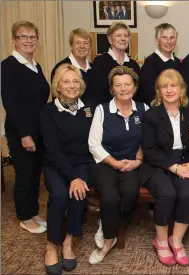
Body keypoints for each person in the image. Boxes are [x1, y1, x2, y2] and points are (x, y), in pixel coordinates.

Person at [88, 66, 149, 264]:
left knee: (131, 193)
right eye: (118, 85)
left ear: (135, 86)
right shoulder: (102, 109)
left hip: (132, 163)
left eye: (127, 84)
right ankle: (108, 240)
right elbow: (94, 143)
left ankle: (106, 221)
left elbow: (147, 141)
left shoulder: (144, 109)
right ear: (112, 89)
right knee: (111, 197)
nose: (123, 88)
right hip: (105, 161)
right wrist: (114, 163)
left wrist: (137, 161)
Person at [139, 69, 189, 267]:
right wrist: (174, 168)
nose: (169, 90)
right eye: (164, 86)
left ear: (181, 89)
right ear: (159, 91)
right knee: (167, 193)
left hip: (185, 162)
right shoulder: (151, 115)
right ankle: (162, 241)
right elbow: (149, 150)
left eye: (173, 85)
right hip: (157, 164)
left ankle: (177, 240)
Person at [40, 64, 95, 275]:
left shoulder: (88, 108)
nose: (72, 86)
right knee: (61, 195)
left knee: (78, 195)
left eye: (75, 81)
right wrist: (72, 177)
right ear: (58, 86)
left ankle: (68, 242)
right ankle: (51, 245)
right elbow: (52, 150)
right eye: (66, 81)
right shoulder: (48, 111)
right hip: (55, 163)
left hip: (82, 162)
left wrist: (78, 176)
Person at [1, 21, 49, 233]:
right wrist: (24, 134)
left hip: (38, 129)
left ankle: (33, 211)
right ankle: (23, 216)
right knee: (24, 174)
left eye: (32, 36)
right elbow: (10, 104)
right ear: (14, 39)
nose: (29, 40)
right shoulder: (8, 66)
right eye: (23, 36)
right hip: (21, 131)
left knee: (35, 173)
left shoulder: (35, 66)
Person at [91, 22, 141, 105]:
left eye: (125, 35)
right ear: (110, 40)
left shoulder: (134, 65)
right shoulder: (99, 62)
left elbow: (138, 93)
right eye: (118, 35)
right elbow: (97, 93)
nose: (123, 39)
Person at [138, 23, 180, 105]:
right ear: (157, 41)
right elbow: (148, 95)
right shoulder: (150, 63)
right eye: (164, 38)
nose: (169, 41)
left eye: (172, 38)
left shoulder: (177, 62)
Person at [51, 28, 94, 105]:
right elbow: (57, 99)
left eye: (85, 43)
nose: (82, 46)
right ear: (71, 45)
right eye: (77, 43)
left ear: (90, 46)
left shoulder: (95, 69)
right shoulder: (61, 68)